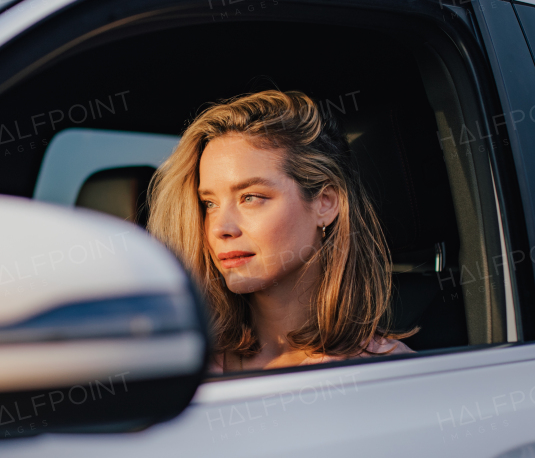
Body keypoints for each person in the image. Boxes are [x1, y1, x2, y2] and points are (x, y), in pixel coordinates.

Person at [147, 90, 415, 374]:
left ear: (325, 203)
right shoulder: (179, 369)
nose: (220, 228)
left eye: (250, 197)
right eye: (209, 203)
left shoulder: (391, 373)